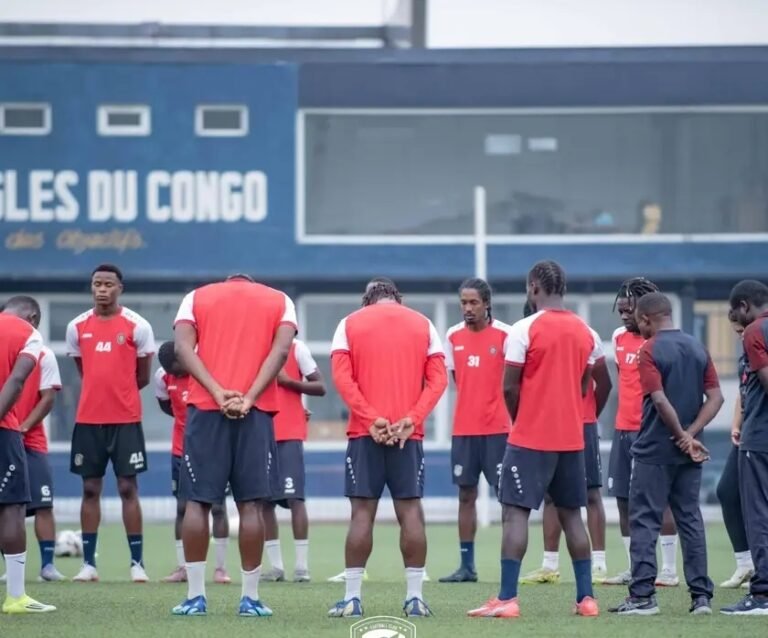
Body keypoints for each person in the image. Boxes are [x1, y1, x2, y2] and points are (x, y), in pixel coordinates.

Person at [468, 260, 600, 619]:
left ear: (532, 287)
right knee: (573, 516)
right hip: (572, 439)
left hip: (530, 438)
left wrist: (521, 419)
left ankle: (507, 599)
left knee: (515, 514)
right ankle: (586, 599)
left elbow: (509, 386)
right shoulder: (586, 331)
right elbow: (586, 384)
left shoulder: (524, 329)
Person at [171, 273, 296, 617]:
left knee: (196, 503)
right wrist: (250, 397)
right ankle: (250, 599)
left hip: (206, 411)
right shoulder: (280, 299)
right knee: (252, 506)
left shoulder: (196, 296)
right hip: (254, 414)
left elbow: (182, 348)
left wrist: (216, 391)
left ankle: (196, 598)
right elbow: (282, 350)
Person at [328, 278, 447, 618]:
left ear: (366, 301)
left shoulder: (348, 323)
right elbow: (438, 380)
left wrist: (370, 419)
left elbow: (341, 378)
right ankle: (414, 599)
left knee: (362, 513)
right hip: (408, 436)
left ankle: (352, 600)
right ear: (398, 298)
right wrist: (411, 418)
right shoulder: (423, 324)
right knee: (409, 512)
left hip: (366, 435)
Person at [609, 292, 722, 616]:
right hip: (691, 453)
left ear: (646, 319)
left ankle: (643, 597)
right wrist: (691, 436)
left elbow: (658, 400)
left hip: (655, 449)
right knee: (690, 519)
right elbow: (715, 397)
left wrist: (680, 437)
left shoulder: (650, 348)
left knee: (643, 519)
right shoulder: (698, 347)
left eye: (637, 320)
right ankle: (701, 597)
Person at [66, 264, 156, 583]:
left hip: (126, 420)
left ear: (120, 288)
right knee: (90, 489)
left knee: (127, 487)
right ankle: (88, 565)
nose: (102, 289)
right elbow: (84, 371)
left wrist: (120, 393)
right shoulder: (76, 327)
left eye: (108, 284)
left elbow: (143, 376)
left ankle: (137, 564)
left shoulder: (137, 325)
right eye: (96, 284)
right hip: (88, 420)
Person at [521, 308, 612, 584]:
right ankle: (550, 565)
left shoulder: (585, 332)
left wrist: (590, 416)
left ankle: (599, 564)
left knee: (591, 493)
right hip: (548, 425)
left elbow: (604, 383)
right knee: (551, 496)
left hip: (581, 424)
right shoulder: (529, 334)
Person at [604, 277, 680, 587]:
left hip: (650, 431)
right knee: (623, 499)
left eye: (628, 311)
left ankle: (670, 570)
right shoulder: (619, 338)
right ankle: (634, 567)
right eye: (620, 311)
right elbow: (625, 381)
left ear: (645, 311)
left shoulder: (659, 341)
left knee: (658, 501)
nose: (623, 317)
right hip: (623, 430)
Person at [439, 278, 512, 584]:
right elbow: (458, 380)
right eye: (464, 303)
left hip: (499, 431)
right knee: (465, 496)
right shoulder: (452, 336)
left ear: (486, 303)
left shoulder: (507, 335)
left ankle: (510, 567)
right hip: (465, 430)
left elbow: (513, 383)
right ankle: (466, 566)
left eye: (473, 303)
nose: (468, 308)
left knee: (507, 499)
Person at [154, 341, 231, 585]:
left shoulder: (206, 368)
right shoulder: (162, 376)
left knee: (217, 508)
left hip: (212, 448)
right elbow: (167, 406)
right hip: (181, 449)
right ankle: (183, 567)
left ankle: (220, 568)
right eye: (172, 372)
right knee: (182, 508)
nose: (176, 374)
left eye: (178, 369)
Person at [1, 297, 64, 583]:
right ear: (34, 319)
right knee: (11, 507)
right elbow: (14, 383)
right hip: (7, 431)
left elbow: (48, 397)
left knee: (42, 504)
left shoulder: (45, 354)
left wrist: (26, 425)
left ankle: (47, 565)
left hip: (30, 439)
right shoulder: (28, 336)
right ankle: (14, 581)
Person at [262, 337, 326, 583]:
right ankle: (276, 567)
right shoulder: (254, 347)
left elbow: (320, 386)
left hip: (289, 434)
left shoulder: (297, 348)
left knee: (295, 498)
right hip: (260, 434)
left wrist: (289, 383)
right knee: (264, 503)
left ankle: (301, 567)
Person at [722, 279, 768, 615]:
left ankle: (763, 593)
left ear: (743, 307)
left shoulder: (755, 331)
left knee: (759, 514)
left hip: (761, 437)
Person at [717, 310, 754, 588]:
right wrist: (735, 425)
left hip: (761, 435)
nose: (740, 337)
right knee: (727, 491)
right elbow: (743, 395)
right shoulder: (746, 354)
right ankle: (745, 564)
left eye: (741, 331)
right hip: (748, 434)